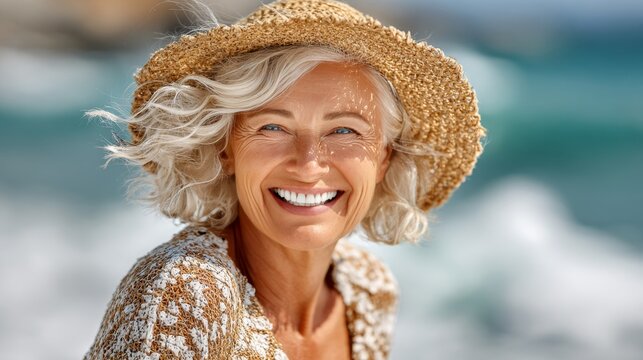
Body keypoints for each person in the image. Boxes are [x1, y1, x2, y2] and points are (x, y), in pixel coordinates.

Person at [84, 0, 484, 359]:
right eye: (273, 127)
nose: (309, 165)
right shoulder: (183, 294)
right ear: (225, 149)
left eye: (343, 131)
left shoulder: (368, 290)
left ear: (384, 158)